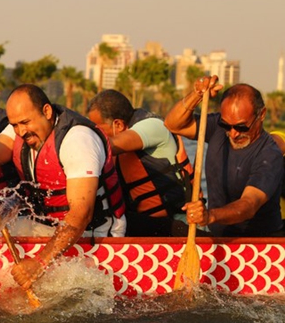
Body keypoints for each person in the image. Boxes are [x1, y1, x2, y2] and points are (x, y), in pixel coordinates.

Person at [0, 84, 126, 290]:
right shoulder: (21, 129)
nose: (21, 131)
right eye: (15, 125)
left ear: (47, 112)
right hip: (50, 227)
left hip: (96, 237)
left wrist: (39, 263)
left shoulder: (78, 139)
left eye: (25, 122)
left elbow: (81, 213)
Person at [165, 77, 283, 237]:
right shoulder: (218, 127)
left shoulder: (269, 154)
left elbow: (249, 204)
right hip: (218, 233)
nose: (233, 133)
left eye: (242, 127)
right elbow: (173, 124)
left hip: (257, 241)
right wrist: (197, 94)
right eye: (227, 125)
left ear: (261, 115)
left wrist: (210, 215)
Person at [87, 90, 193, 236]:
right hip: (147, 224)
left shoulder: (153, 127)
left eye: (97, 129)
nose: (94, 134)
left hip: (180, 224)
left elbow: (110, 145)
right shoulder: (114, 141)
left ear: (117, 124)